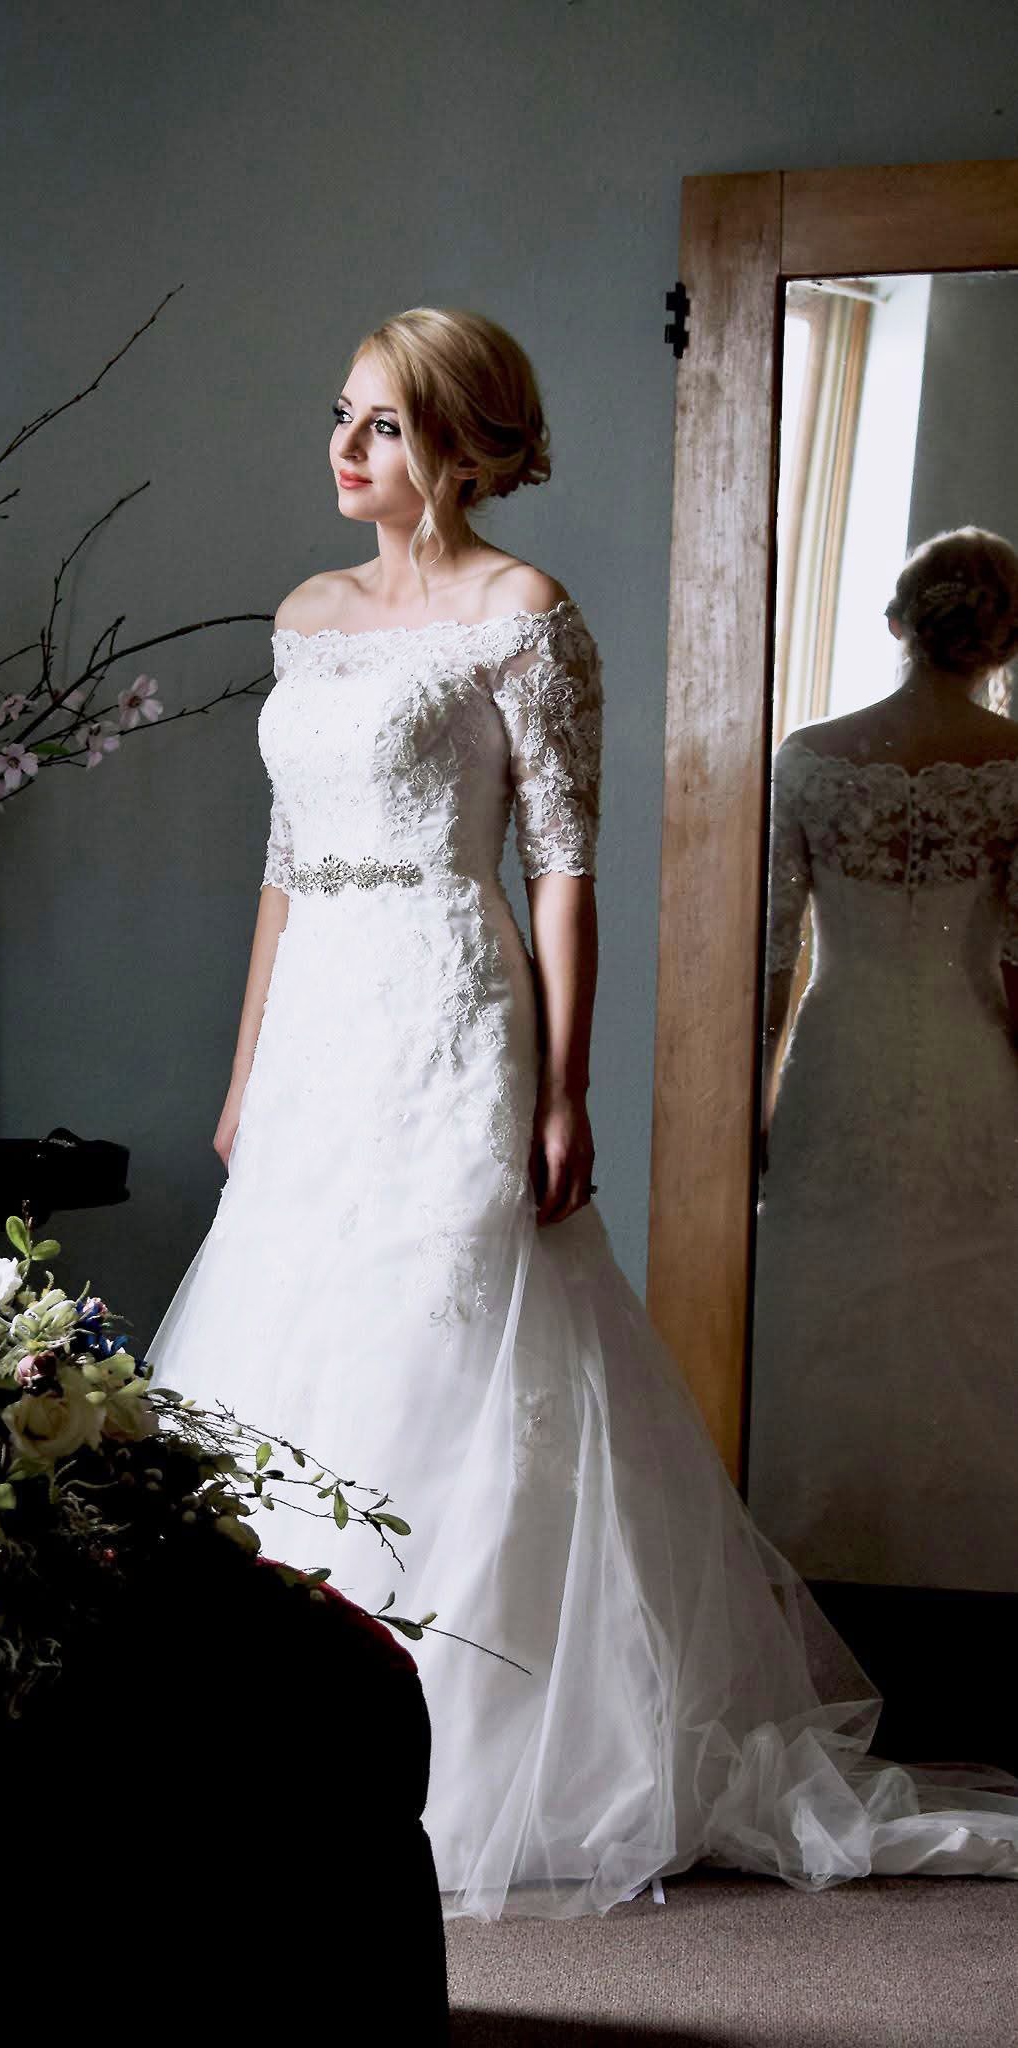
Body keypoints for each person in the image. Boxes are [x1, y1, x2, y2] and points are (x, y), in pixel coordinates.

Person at [146, 310, 1018, 1919]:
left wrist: (562, 1085)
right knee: (290, 1330)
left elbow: (560, 867)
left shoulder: (525, 614)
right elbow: (281, 866)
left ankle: (472, 1743)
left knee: (449, 1326)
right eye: (340, 415)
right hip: (322, 1014)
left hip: (445, 994)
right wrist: (244, 1069)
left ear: (467, 444)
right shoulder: (308, 613)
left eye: (388, 427)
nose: (347, 450)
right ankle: (267, 1735)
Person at [753, 528, 1018, 1592]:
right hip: (966, 1066)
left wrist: (745, 1099)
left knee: (828, 1294)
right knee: (963, 1309)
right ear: (1000, 639)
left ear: (895, 623)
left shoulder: (807, 758)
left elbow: (772, 953)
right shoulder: (1012, 769)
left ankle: (812, 1558)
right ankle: (958, 1578)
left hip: (835, 1057)